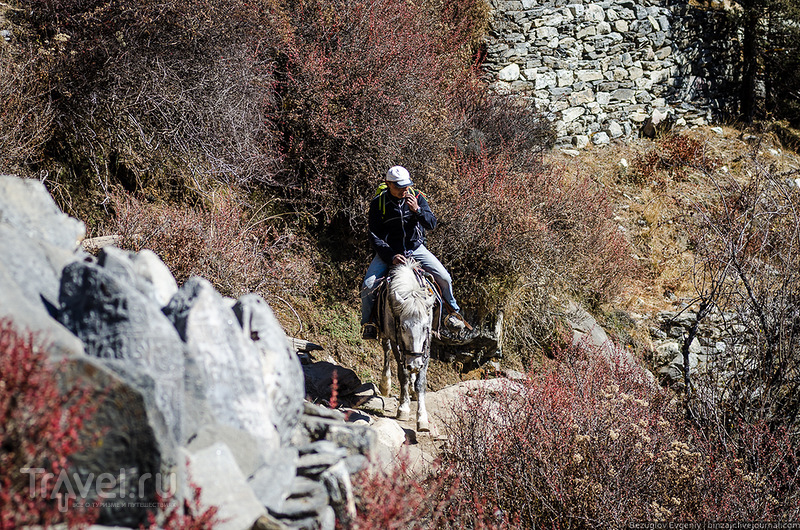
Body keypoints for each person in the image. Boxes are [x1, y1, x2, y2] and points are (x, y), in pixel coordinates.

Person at [360, 165, 466, 340]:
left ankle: (453, 313)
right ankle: (368, 323)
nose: (403, 190)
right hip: (389, 252)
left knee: (445, 278)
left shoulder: (417, 197)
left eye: (406, 186)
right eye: (399, 187)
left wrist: (417, 210)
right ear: (388, 184)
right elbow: (374, 235)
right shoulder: (379, 203)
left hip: (416, 249)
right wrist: (391, 256)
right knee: (368, 286)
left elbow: (431, 223)